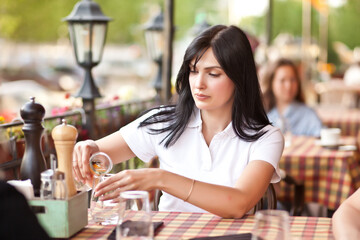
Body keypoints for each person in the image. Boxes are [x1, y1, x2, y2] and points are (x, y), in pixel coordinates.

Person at [72, 25, 284, 218]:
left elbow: (238, 203)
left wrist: (160, 178)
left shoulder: (266, 137)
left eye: (213, 74)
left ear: (239, 78)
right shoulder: (165, 122)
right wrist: (87, 150)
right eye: (193, 71)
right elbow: (97, 158)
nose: (199, 84)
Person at [261, 58, 323, 137]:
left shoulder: (308, 115)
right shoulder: (262, 115)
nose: (288, 86)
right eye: (282, 80)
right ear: (271, 83)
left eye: (292, 80)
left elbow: (322, 137)